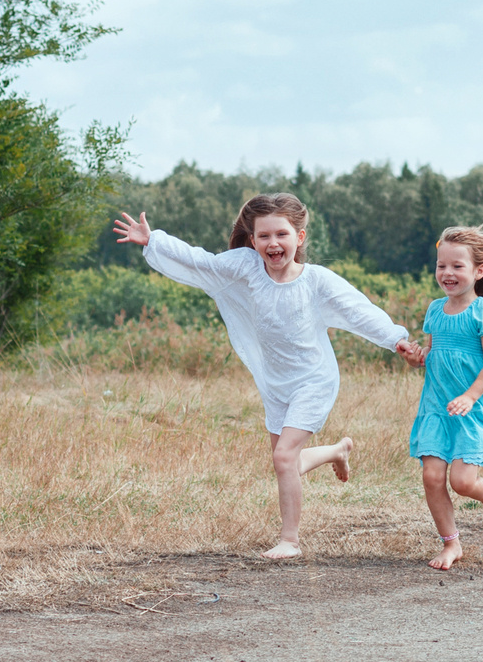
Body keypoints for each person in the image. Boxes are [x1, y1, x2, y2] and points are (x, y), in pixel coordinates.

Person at [113, 193, 423, 559]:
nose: (273, 243)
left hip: (314, 381)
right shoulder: (246, 267)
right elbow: (202, 261)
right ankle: (337, 451)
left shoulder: (316, 281)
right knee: (285, 460)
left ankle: (290, 540)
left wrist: (396, 339)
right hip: (275, 384)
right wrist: (155, 240)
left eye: (282, 235)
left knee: (283, 459)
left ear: (300, 238)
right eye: (263, 237)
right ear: (253, 240)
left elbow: (359, 311)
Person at [411, 225, 483, 571]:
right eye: (441, 266)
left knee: (462, 482)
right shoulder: (434, 310)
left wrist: (470, 396)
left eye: (457, 266)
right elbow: (431, 354)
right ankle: (452, 544)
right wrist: (416, 356)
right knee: (432, 477)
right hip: (437, 407)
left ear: (478, 272)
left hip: (471, 408)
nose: (447, 273)